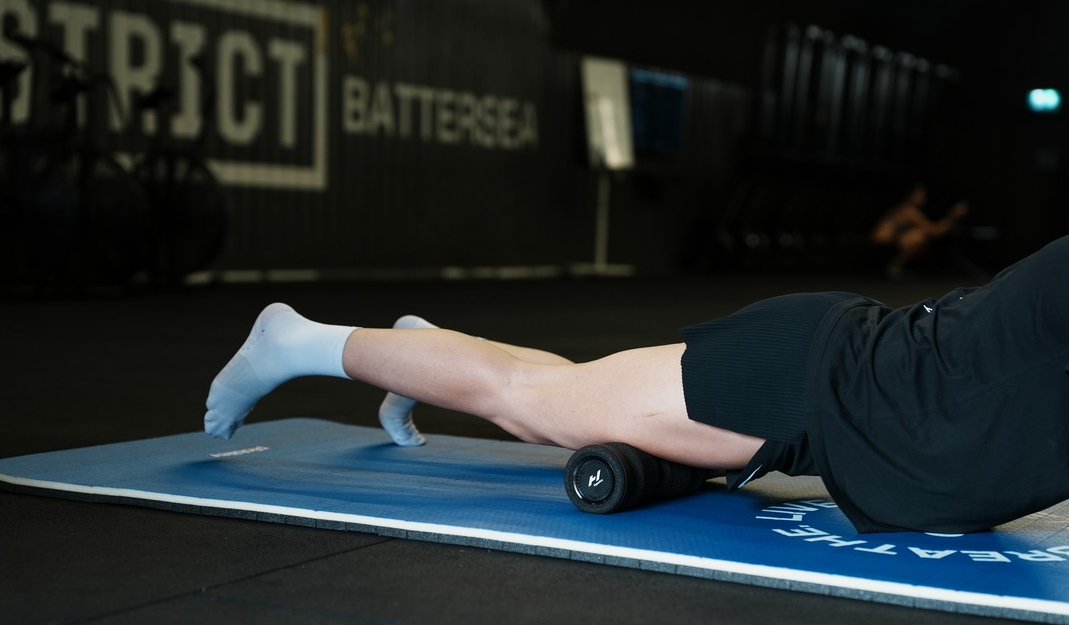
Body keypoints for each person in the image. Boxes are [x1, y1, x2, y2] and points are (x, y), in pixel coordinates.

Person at [205, 237, 1069, 535]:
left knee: (559, 397)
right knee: (532, 405)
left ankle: (430, 355)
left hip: (835, 393)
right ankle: (298, 340)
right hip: (809, 379)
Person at [871, 182, 969, 278]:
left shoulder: (906, 208)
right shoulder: (909, 210)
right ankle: (893, 267)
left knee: (918, 234)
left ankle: (901, 267)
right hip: (882, 246)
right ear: (911, 195)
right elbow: (935, 231)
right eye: (920, 193)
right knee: (919, 236)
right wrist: (953, 215)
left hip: (888, 244)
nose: (924, 196)